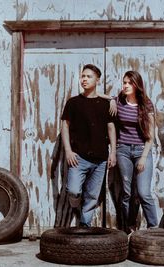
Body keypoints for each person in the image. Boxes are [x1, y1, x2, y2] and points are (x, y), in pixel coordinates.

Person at [61, 64, 116, 227]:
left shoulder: (106, 104)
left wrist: (113, 152)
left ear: (97, 80)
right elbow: (65, 126)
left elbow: (111, 128)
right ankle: (76, 208)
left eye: (88, 76)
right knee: (74, 191)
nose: (84, 79)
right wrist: (68, 151)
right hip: (78, 158)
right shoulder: (73, 103)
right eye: (82, 76)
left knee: (92, 196)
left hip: (100, 159)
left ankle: (85, 226)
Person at [109, 70, 158, 232]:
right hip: (123, 150)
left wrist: (143, 157)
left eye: (130, 83)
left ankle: (153, 227)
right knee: (126, 193)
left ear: (137, 85)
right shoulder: (118, 101)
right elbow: (100, 96)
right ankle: (127, 227)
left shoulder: (146, 104)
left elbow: (151, 136)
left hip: (142, 151)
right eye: (124, 82)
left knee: (143, 193)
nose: (126, 86)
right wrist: (110, 100)